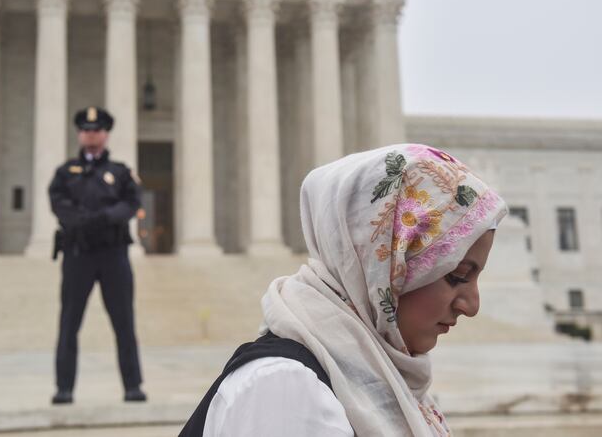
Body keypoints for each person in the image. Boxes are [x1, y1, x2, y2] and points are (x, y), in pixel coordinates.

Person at [180, 144, 508, 436]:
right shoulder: (287, 391)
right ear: (384, 266)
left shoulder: (380, 379)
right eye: (459, 275)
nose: (472, 305)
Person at [49, 106, 146, 405]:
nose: (91, 134)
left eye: (97, 130)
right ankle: (64, 388)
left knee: (124, 323)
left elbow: (131, 203)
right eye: (87, 130)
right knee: (69, 322)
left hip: (112, 254)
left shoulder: (120, 172)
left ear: (105, 134)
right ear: (80, 134)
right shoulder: (65, 173)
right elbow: (58, 203)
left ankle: (133, 386)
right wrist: (84, 220)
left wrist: (102, 218)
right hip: (78, 255)